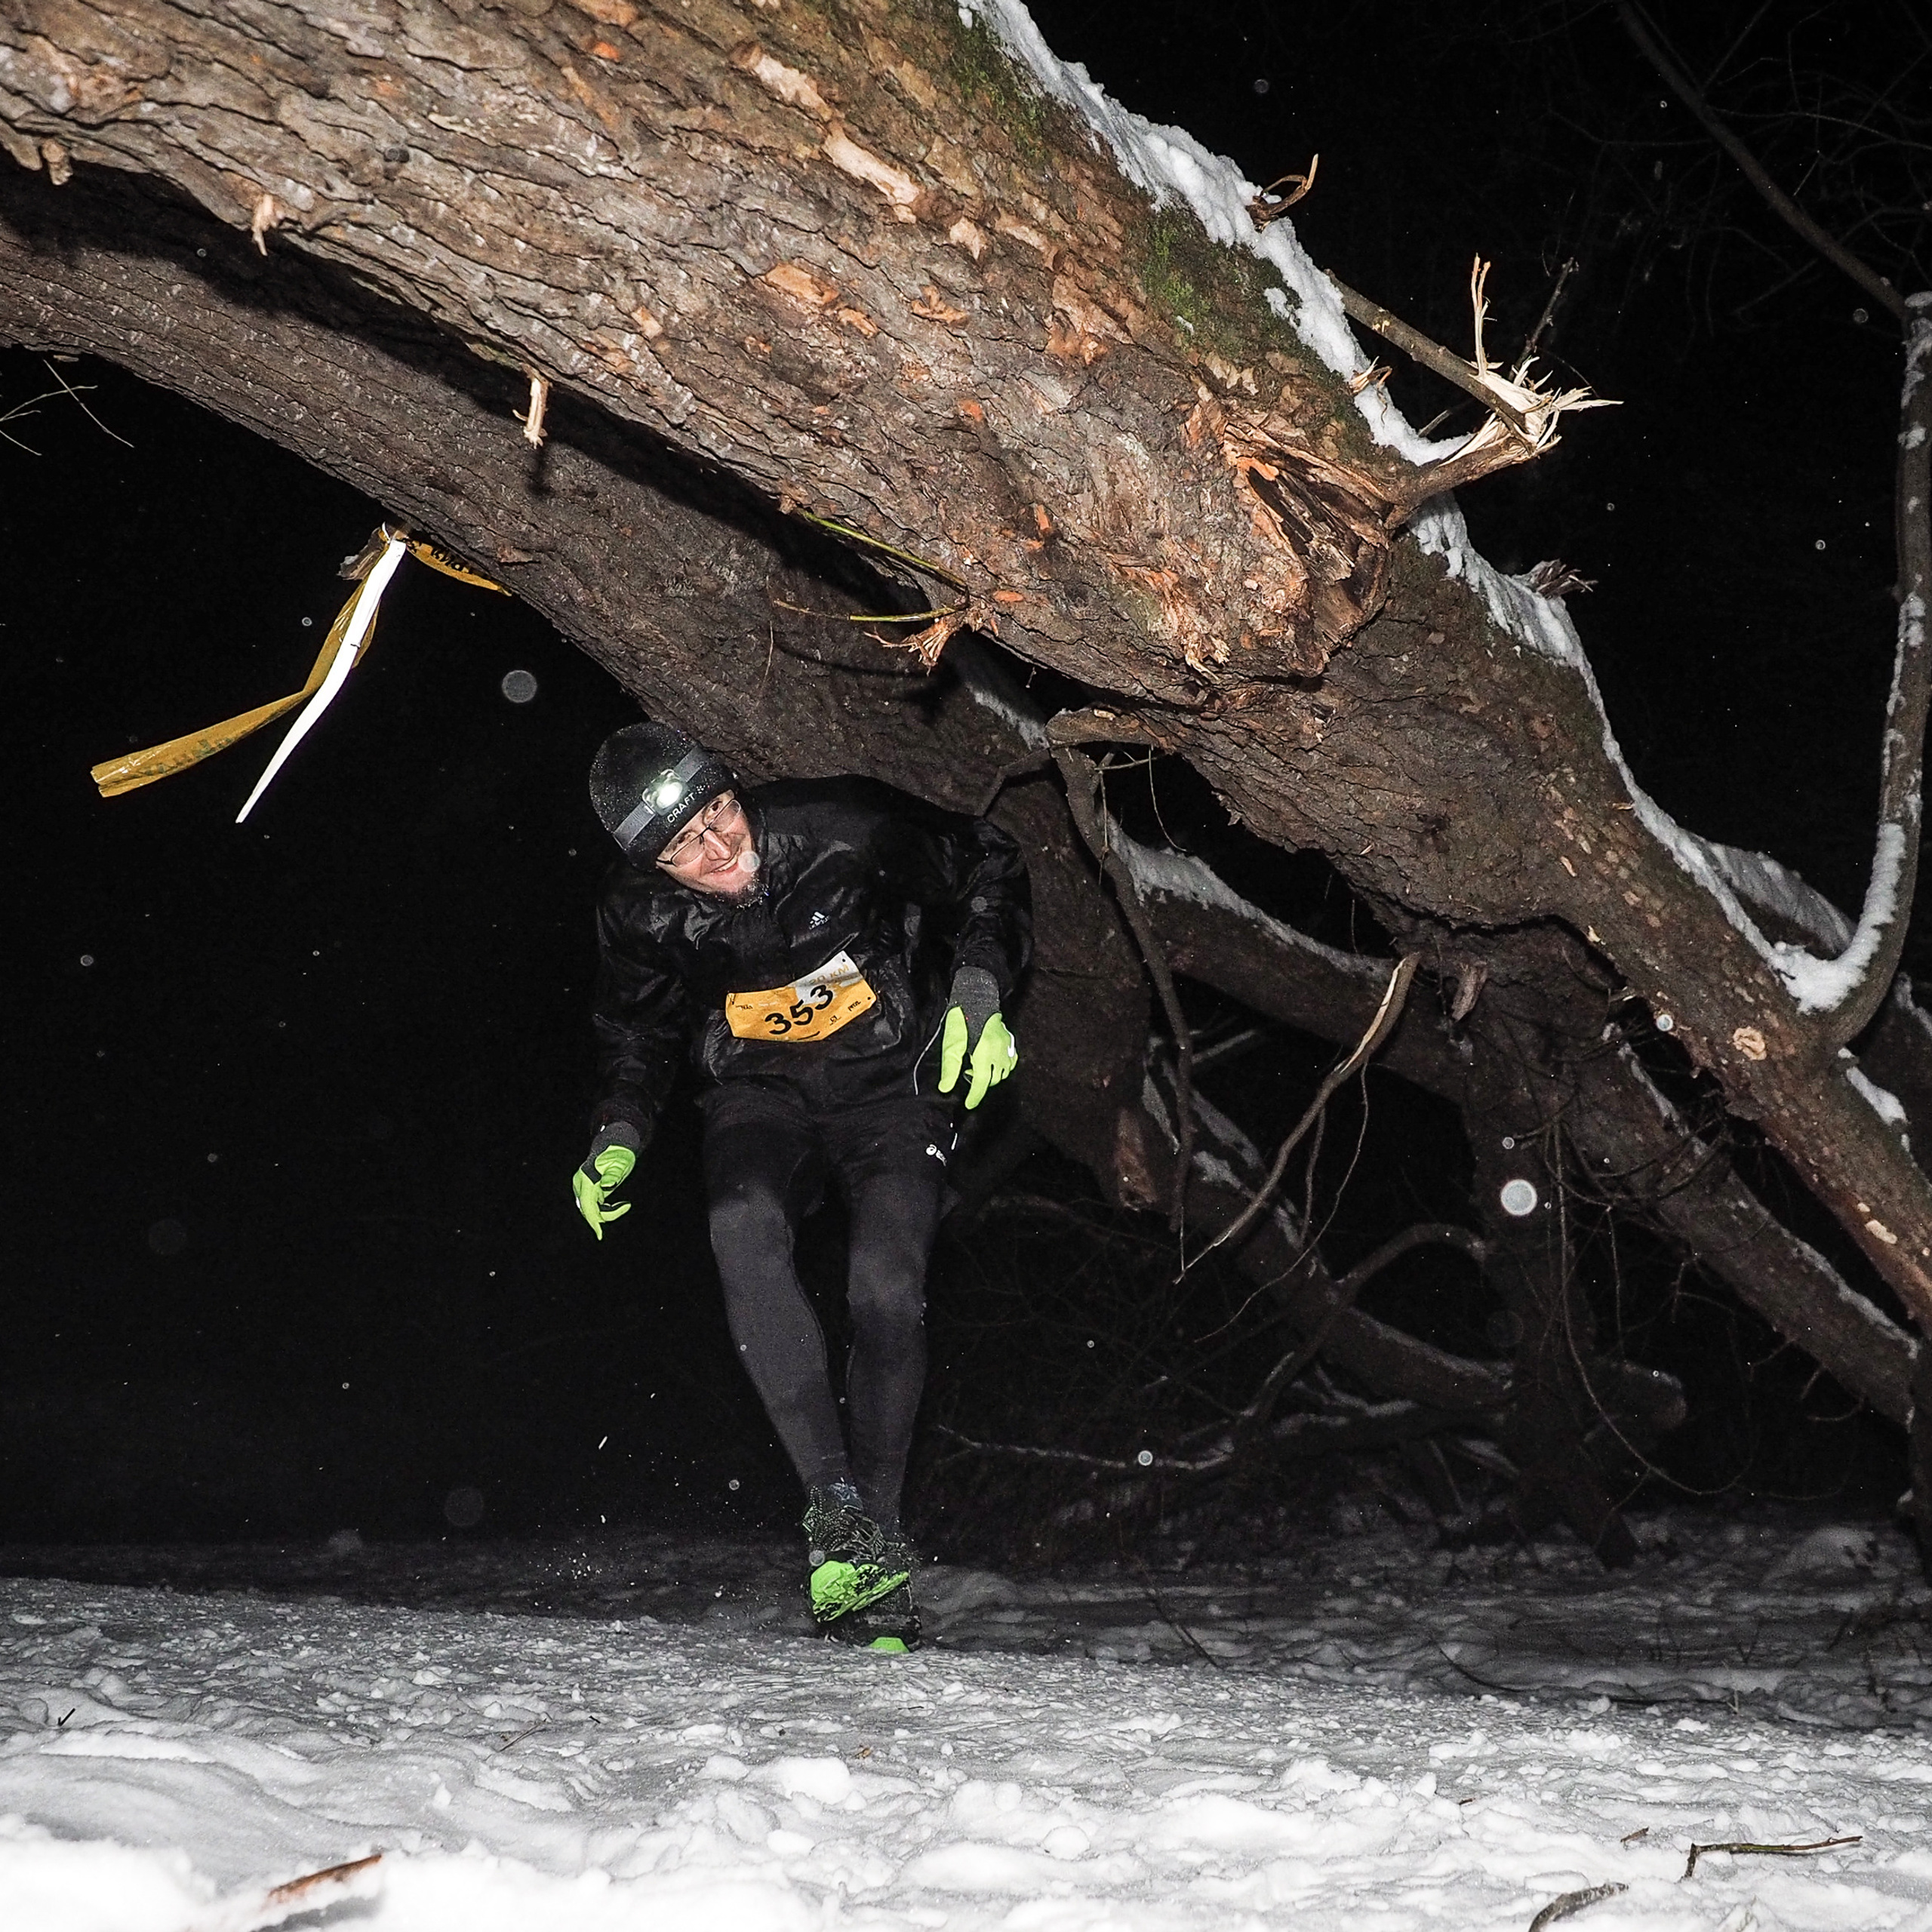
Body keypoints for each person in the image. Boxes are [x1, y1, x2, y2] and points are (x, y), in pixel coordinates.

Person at [574, 723, 1032, 1651]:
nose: (721, 848)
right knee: (739, 1223)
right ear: (654, 868)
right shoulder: (639, 915)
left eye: (721, 813)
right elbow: (637, 1033)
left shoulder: (843, 827)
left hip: (891, 1086)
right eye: (687, 848)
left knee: (886, 1290)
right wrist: (618, 1132)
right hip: (759, 1093)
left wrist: (978, 990)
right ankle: (835, 1511)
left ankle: (880, 1531)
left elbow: (990, 865)